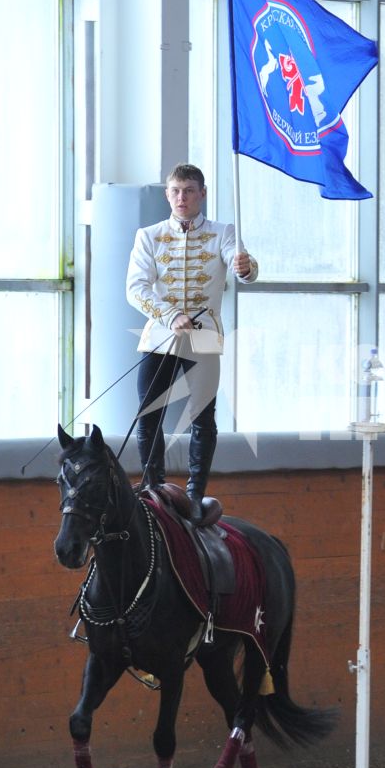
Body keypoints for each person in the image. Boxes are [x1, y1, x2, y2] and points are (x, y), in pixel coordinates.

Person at [126, 163, 257, 517]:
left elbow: (240, 265)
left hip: (204, 338)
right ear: (168, 194)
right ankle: (154, 488)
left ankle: (196, 494)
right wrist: (169, 315)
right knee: (148, 414)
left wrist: (246, 268)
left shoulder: (223, 232)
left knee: (203, 416)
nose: (181, 198)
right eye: (175, 191)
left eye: (188, 191)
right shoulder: (148, 236)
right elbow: (135, 289)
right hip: (160, 336)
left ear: (202, 194)